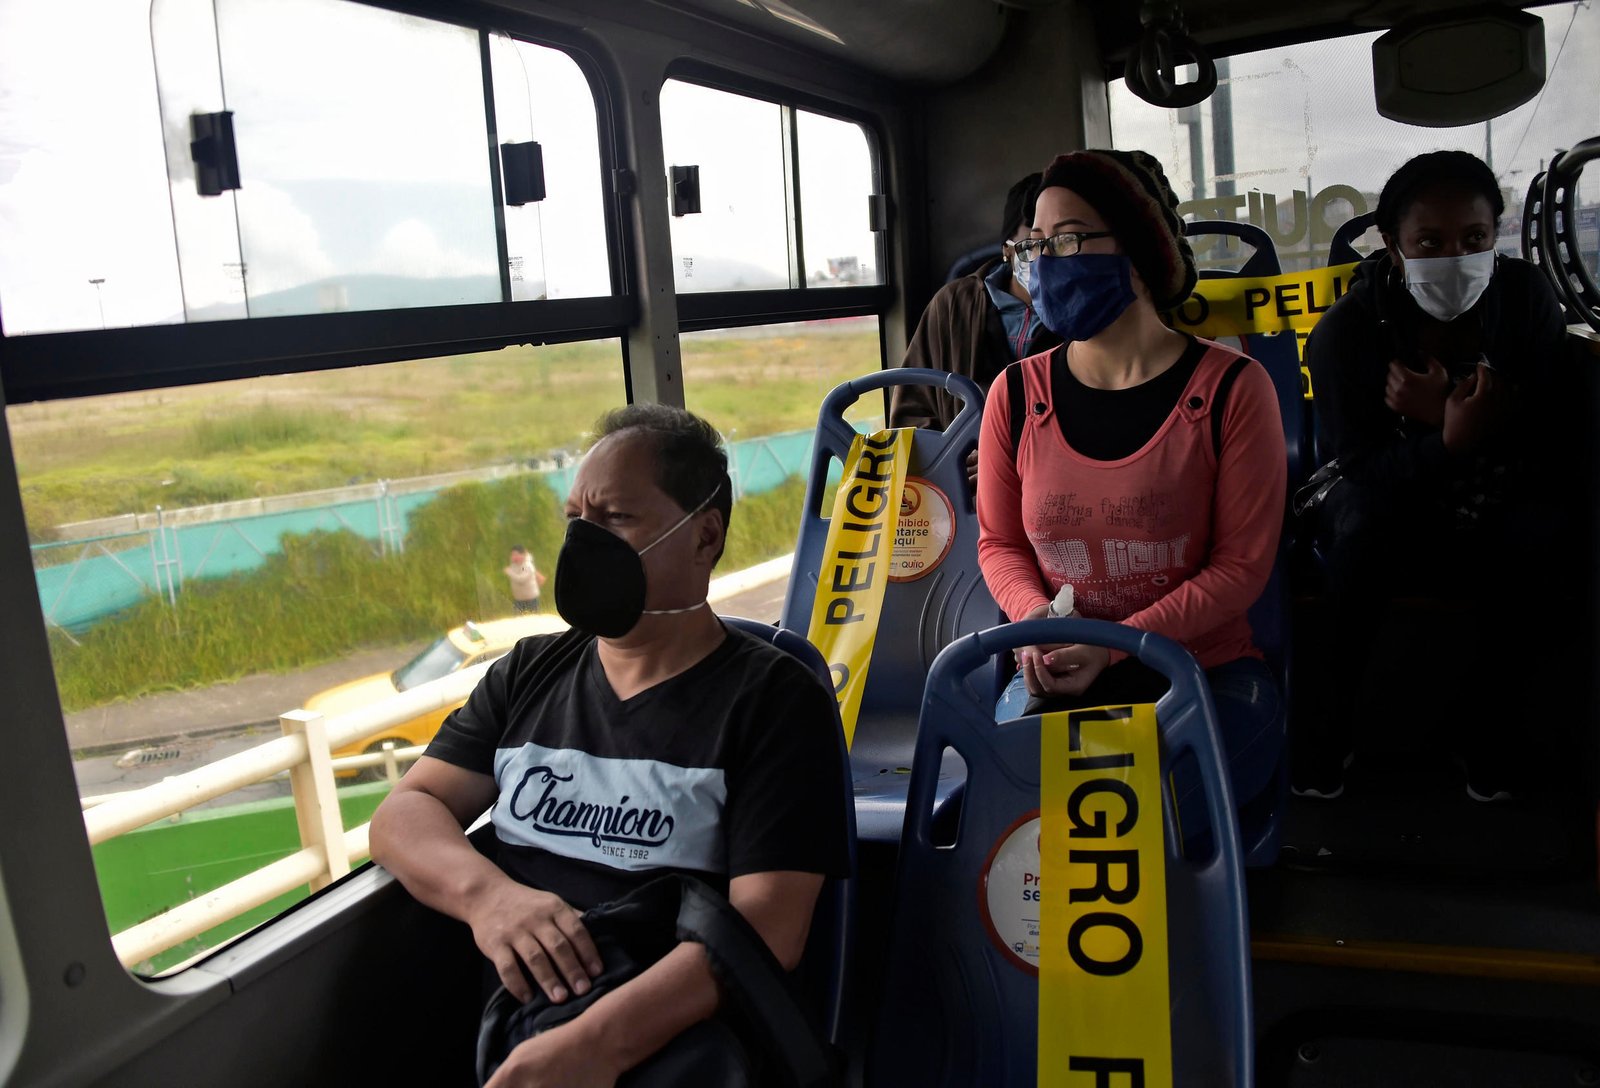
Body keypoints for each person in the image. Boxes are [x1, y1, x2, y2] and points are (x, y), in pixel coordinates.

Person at [370, 404, 849, 1086]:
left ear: (704, 538)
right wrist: (490, 898)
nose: (583, 543)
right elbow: (405, 812)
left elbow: (768, 929)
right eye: (575, 519)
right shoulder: (527, 672)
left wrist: (591, 1049)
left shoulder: (772, 700)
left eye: (616, 519)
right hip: (506, 1028)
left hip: (654, 1044)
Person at [976, 148, 1287, 844]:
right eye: (1037, 243)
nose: (1046, 261)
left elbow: (1240, 570)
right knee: (1008, 812)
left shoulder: (1236, 391)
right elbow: (999, 544)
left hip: (1202, 670)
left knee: (1135, 816)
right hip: (1055, 667)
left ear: (1140, 252)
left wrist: (1114, 648)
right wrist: (1038, 626)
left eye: (1070, 239)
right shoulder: (1016, 395)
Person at [1296, 149, 1568, 802]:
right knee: (1360, 538)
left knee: (1538, 533)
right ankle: (1326, 740)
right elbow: (1357, 465)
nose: (1454, 257)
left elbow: (1557, 428)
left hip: (1496, 486)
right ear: (1393, 247)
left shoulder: (1524, 300)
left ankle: (1493, 742)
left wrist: (1456, 425)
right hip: (1384, 490)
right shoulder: (1347, 332)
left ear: (1496, 237)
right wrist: (1445, 442)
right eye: (1429, 242)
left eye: (1473, 239)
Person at [889, 172, 1062, 486]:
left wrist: (1011, 461)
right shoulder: (954, 305)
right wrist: (949, 460)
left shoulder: (1085, 309)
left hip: (1055, 483)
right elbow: (913, 407)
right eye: (1032, 244)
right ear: (1008, 250)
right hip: (962, 489)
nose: (1045, 256)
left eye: (1059, 242)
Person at [504, 545, 546, 614]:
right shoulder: (514, 565)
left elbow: (521, 579)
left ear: (523, 555)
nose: (514, 557)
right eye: (512, 555)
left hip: (531, 600)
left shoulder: (527, 566)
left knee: (534, 618)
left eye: (516, 554)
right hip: (518, 600)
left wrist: (509, 572)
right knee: (518, 619)